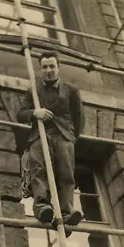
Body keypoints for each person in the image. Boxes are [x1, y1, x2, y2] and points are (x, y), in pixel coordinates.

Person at [17, 50, 85, 235]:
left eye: (52, 66)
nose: (49, 70)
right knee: (39, 170)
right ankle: (42, 207)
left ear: (58, 68)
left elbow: (79, 119)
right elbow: (20, 115)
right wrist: (34, 113)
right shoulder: (34, 91)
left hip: (63, 136)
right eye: (45, 67)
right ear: (41, 69)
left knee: (66, 173)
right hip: (39, 135)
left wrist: (70, 137)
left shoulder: (71, 91)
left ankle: (66, 211)